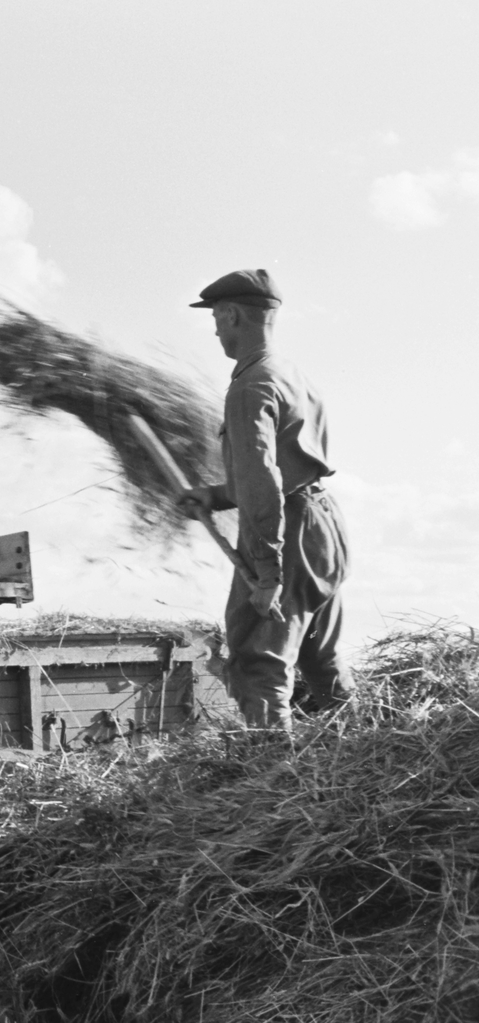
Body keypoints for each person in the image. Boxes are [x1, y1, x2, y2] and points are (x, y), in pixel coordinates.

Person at [178, 269, 354, 731]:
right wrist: (214, 497)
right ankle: (361, 762)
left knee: (259, 658)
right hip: (323, 526)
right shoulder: (293, 375)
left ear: (232, 314)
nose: (215, 329)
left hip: (286, 530)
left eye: (217, 318)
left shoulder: (250, 385)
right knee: (320, 656)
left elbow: (263, 481)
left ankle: (273, 785)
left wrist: (268, 572)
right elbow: (282, 468)